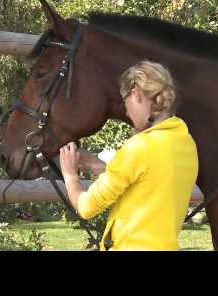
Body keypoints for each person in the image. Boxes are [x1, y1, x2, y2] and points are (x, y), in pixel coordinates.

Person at [59, 60, 199, 251]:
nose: (126, 111)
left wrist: (70, 176)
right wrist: (98, 166)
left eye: (124, 101)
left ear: (135, 94)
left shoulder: (139, 147)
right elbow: (147, 182)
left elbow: (86, 207)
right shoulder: (186, 143)